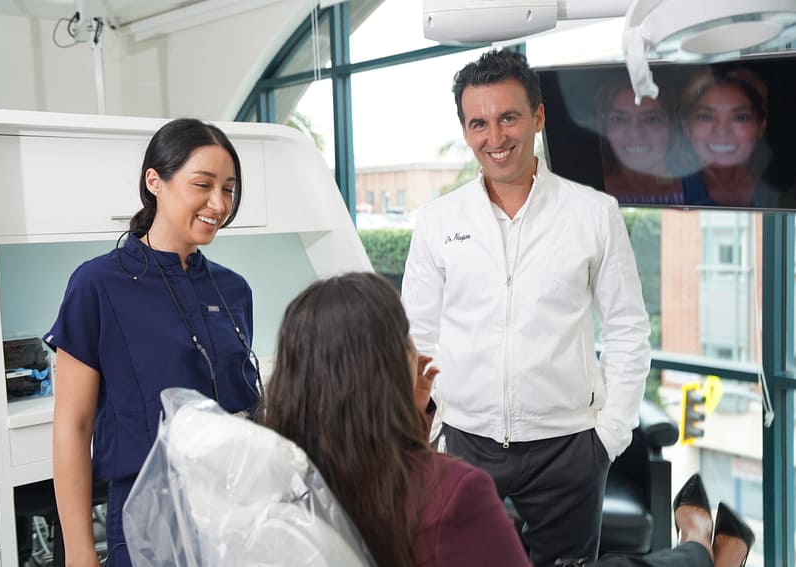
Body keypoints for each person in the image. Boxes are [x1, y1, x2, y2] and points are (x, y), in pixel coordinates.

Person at [261, 272, 753, 567]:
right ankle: (702, 551)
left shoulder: (284, 483)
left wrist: (407, 418)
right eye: (405, 341)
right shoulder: (452, 489)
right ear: (384, 368)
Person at [401, 49, 652, 567]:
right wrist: (428, 431)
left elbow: (628, 329)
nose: (495, 138)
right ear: (466, 130)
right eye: (479, 123)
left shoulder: (594, 214)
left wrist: (609, 436)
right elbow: (415, 336)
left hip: (570, 447)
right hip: (463, 442)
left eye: (509, 117)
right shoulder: (436, 221)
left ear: (538, 118)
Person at [46, 118, 261, 567]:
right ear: (154, 182)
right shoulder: (98, 284)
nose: (218, 203)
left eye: (229, 189)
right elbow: (72, 426)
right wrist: (80, 552)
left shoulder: (234, 289)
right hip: (149, 519)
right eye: (203, 184)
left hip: (236, 513)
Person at [679, 67, 769, 207]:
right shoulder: (665, 193)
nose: (722, 131)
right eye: (706, 116)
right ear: (686, 127)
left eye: (740, 117)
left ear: (760, 127)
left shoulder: (778, 195)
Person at [595, 77, 684, 205]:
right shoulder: (590, 195)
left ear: (672, 127)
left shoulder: (702, 190)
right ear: (604, 127)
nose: (634, 133)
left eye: (651, 119)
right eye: (619, 119)